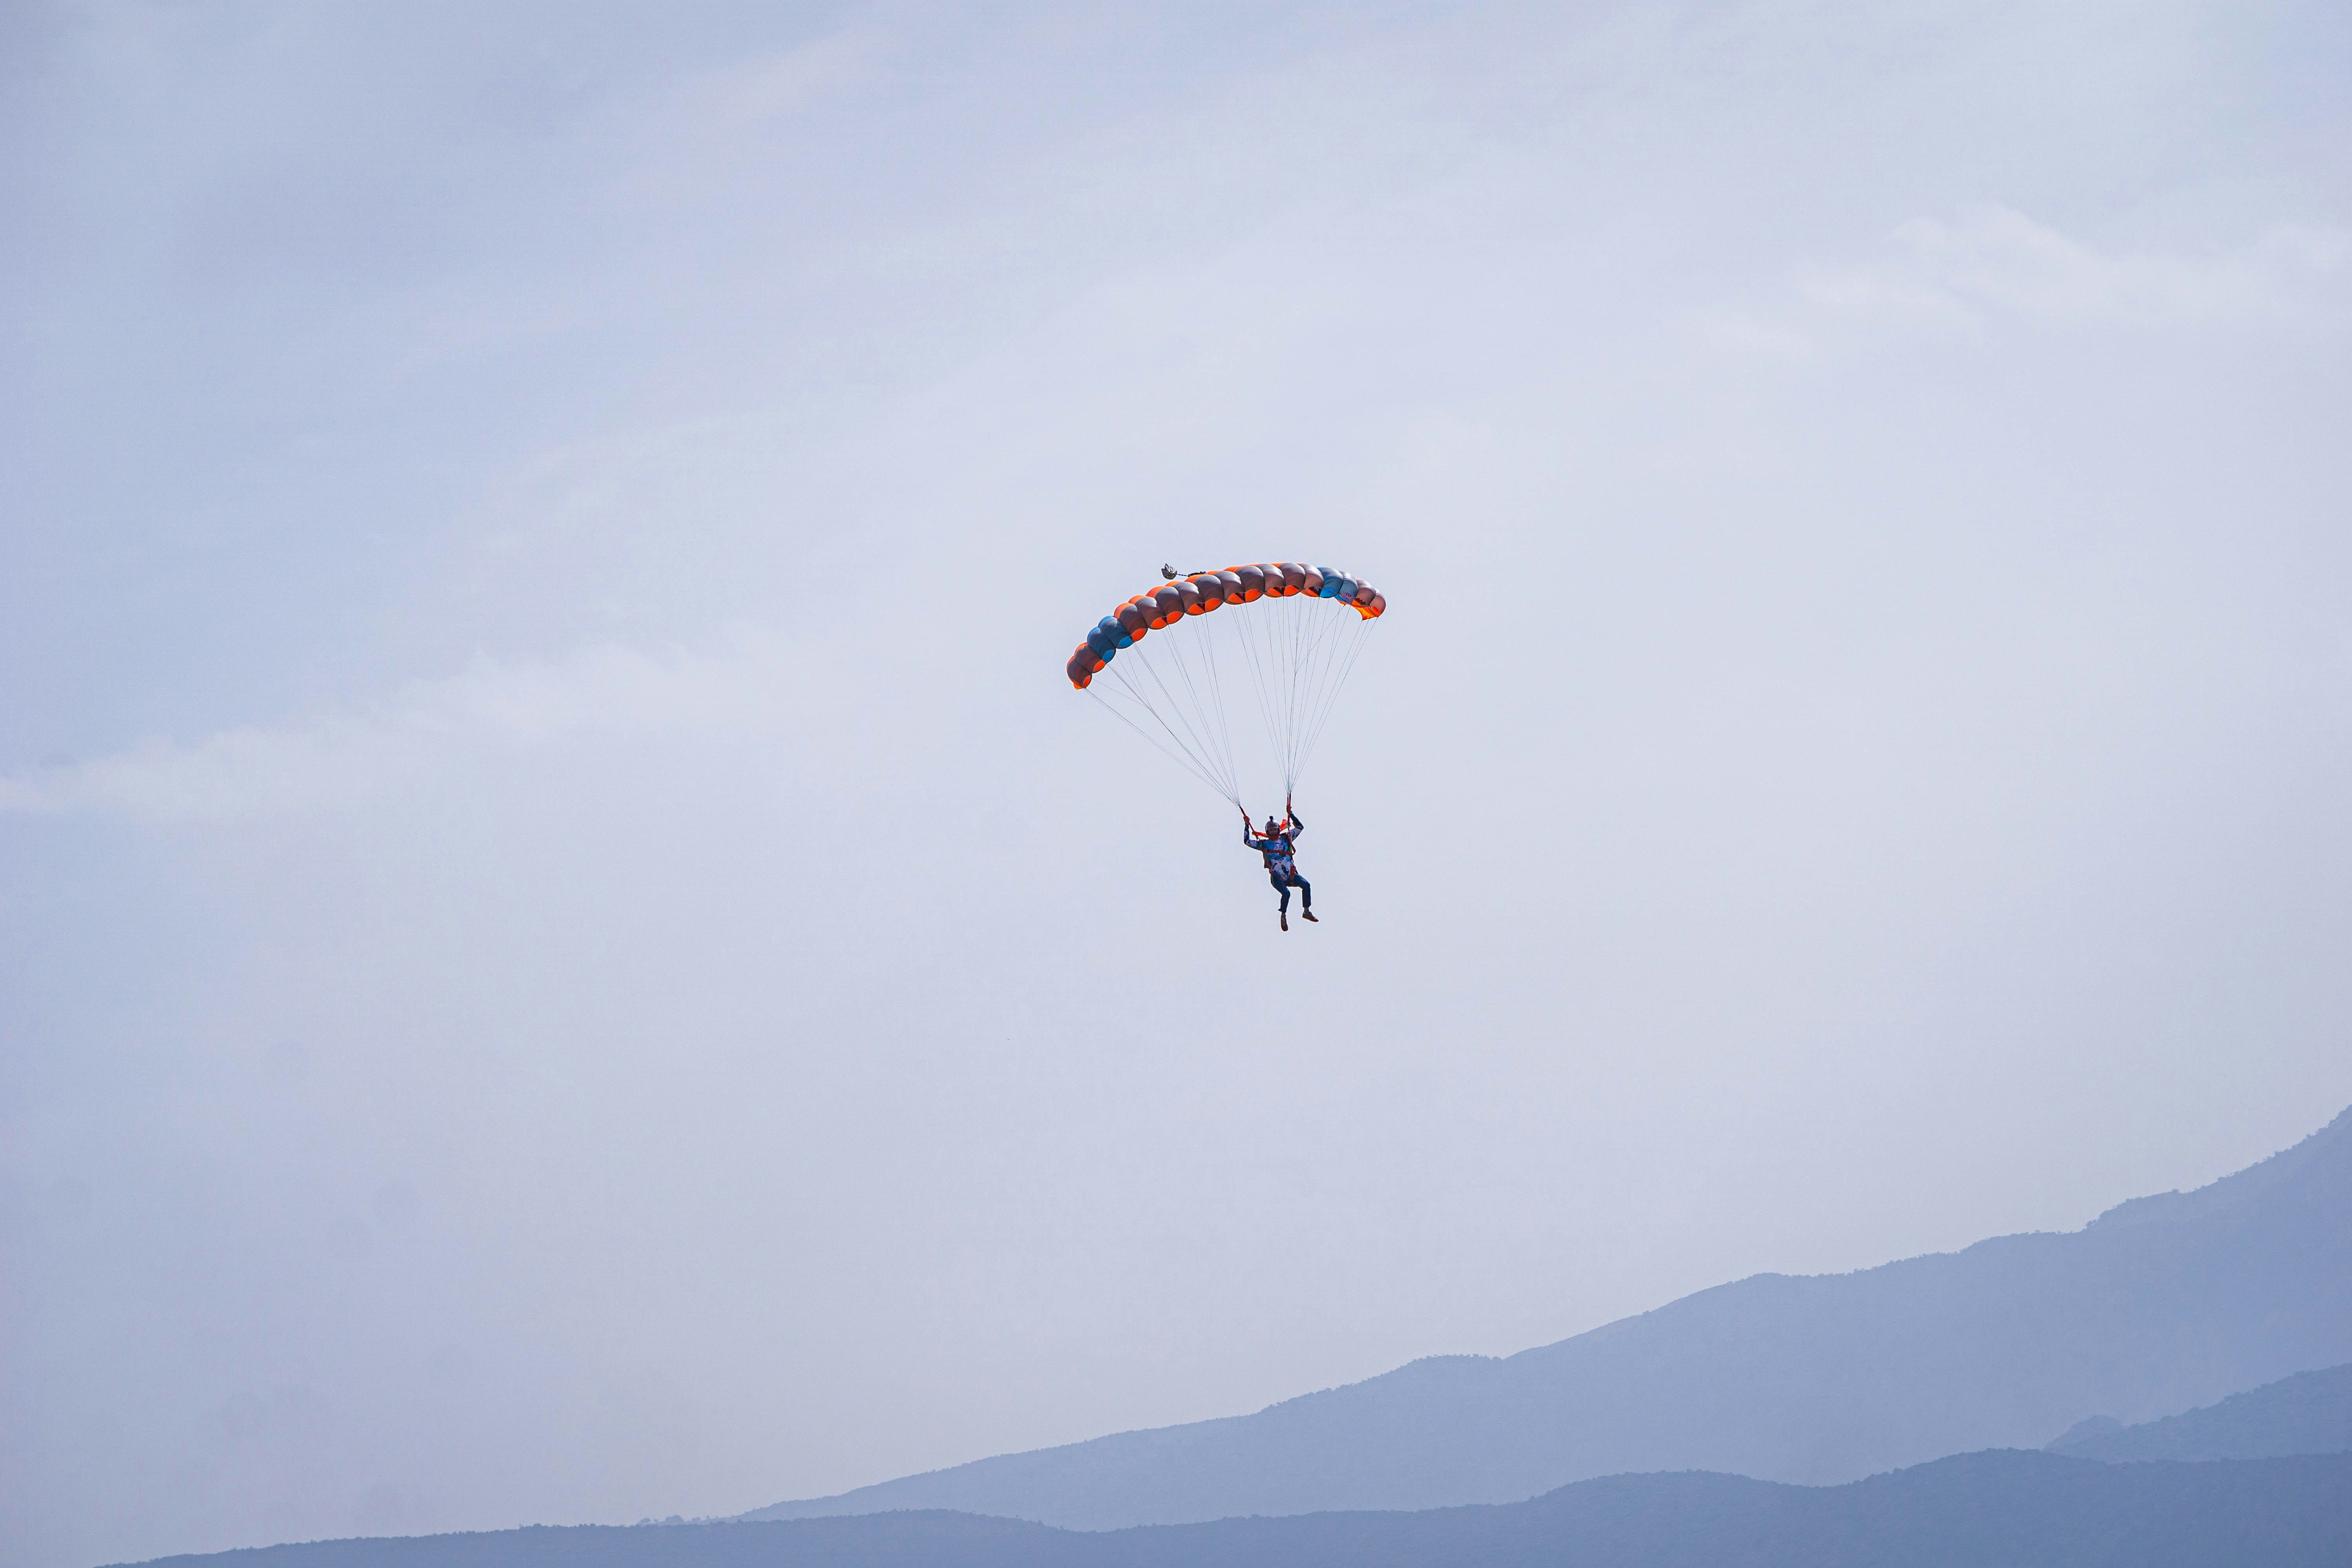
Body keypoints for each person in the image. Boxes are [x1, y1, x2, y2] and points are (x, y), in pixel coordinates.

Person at [1241, 800, 1316, 931]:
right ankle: (1283, 916)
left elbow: (1300, 828)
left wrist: (1291, 814)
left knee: (1307, 885)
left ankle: (1306, 912)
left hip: (1291, 875)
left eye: (1275, 829)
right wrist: (1247, 825)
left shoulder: (1286, 838)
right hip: (1277, 878)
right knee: (1286, 894)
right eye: (1271, 830)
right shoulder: (1264, 844)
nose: (1274, 831)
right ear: (1267, 832)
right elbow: (1247, 841)